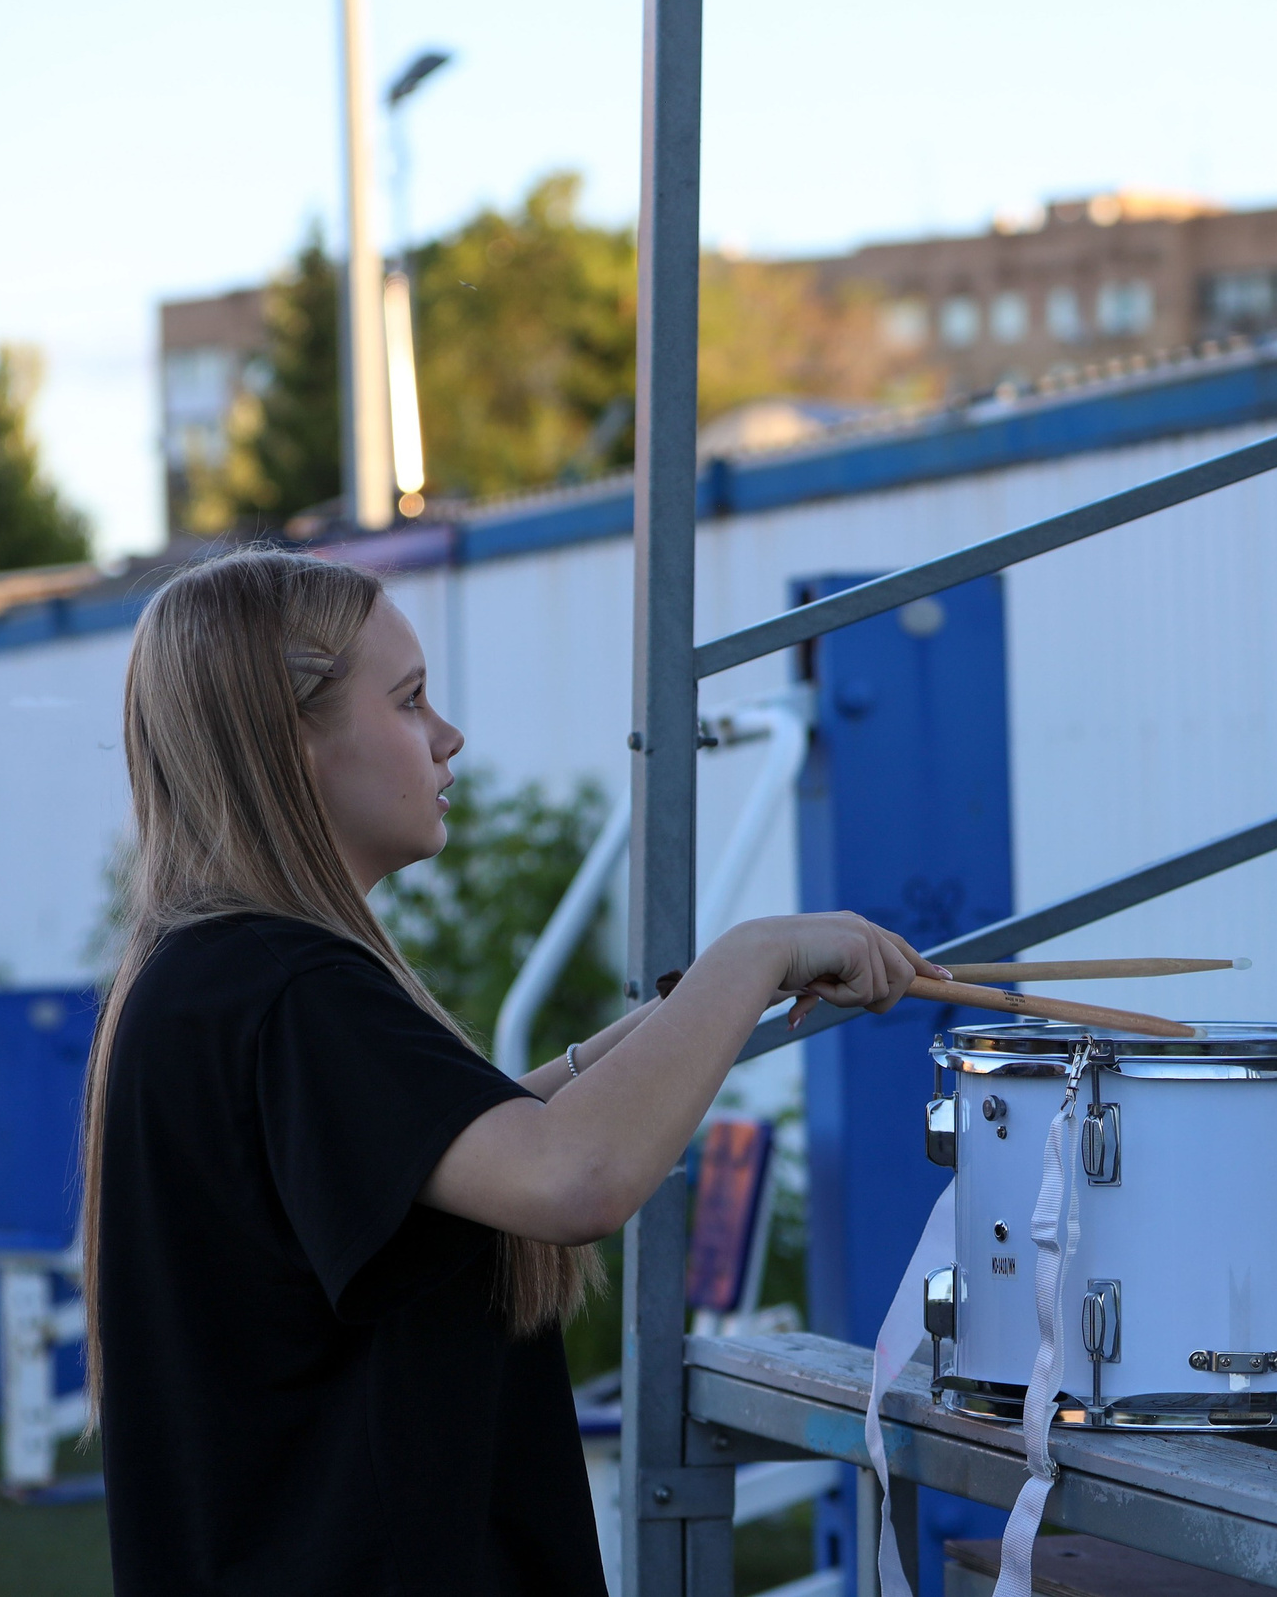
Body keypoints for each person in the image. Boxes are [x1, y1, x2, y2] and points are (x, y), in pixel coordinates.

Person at [80, 548, 944, 1594]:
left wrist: (685, 1018)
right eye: (408, 702)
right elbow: (569, 1175)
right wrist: (752, 951)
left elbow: (449, 1157)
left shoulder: (215, 974)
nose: (448, 735)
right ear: (290, 740)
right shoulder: (282, 983)